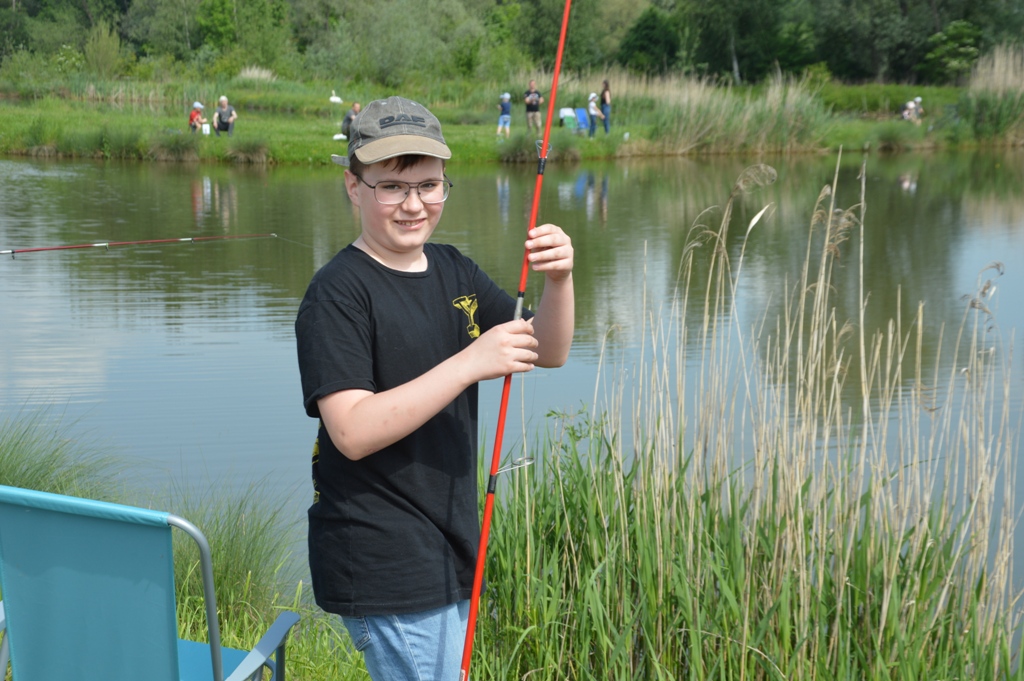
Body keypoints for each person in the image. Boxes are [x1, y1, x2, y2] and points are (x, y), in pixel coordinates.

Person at [294, 95, 575, 681]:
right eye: (392, 187)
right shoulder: (337, 293)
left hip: (449, 546)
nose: (413, 204)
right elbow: (352, 430)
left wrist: (559, 280)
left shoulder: (455, 270)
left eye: (429, 185)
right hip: (384, 559)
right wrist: (470, 362)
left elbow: (547, 349)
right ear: (353, 186)